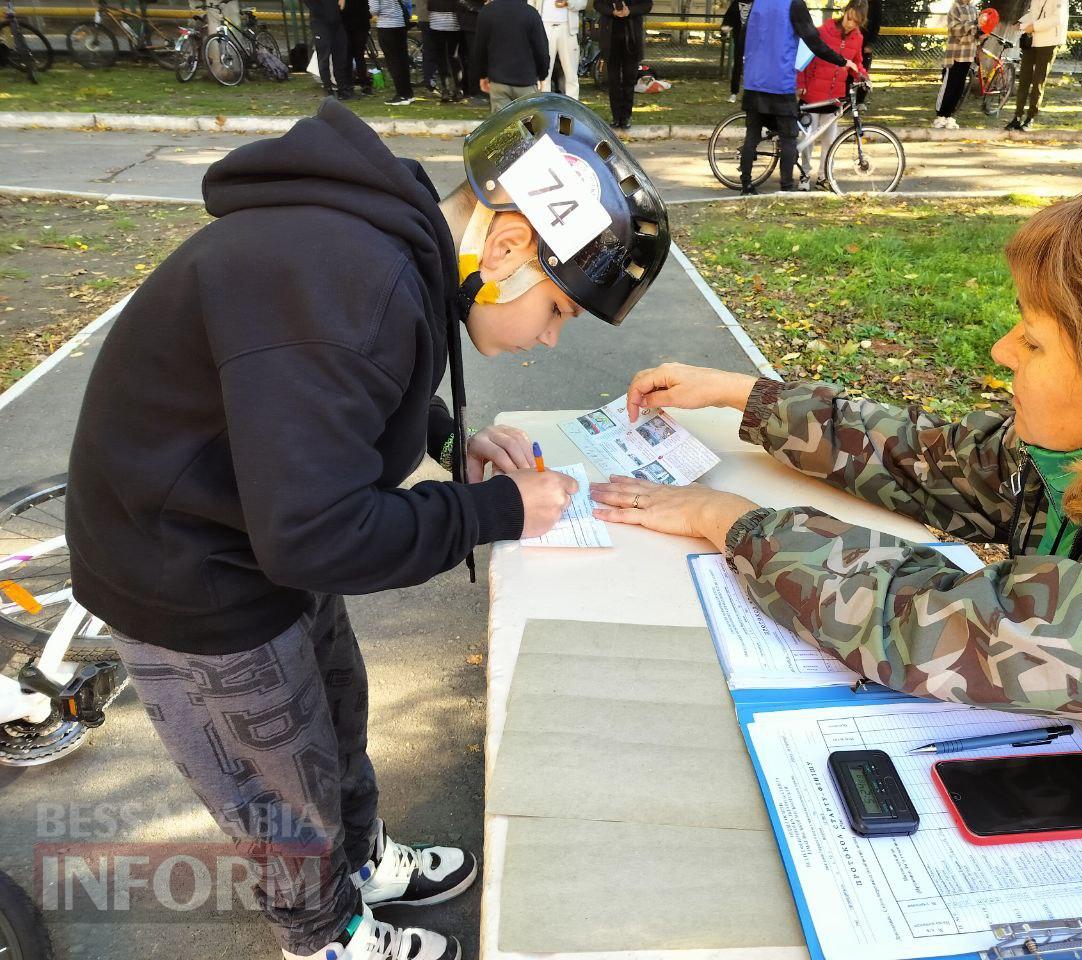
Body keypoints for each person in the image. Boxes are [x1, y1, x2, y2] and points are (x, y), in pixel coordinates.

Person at [590, 153, 1082, 914]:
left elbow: (940, 628)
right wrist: (749, 398)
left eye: (1036, 341)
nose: (1001, 352)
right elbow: (946, 461)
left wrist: (729, 521)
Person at [66, 94, 671, 960]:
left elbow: (328, 397)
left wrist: (447, 439)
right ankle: (322, 937)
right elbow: (316, 533)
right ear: (508, 247)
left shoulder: (386, 253)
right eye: (560, 311)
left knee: (334, 712)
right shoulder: (354, 282)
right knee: (280, 785)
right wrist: (496, 512)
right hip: (186, 566)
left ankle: (361, 859)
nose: (547, 339)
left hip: (247, 517)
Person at [736, 0, 860, 195]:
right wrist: (842, 61)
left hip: (755, 80)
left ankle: (746, 185)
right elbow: (814, 42)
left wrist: (739, 77)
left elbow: (743, 39)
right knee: (788, 138)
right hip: (779, 82)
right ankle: (786, 188)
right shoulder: (794, 5)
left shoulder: (757, 3)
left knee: (752, 135)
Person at [796, 0, 867, 190]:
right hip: (812, 93)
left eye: (856, 22)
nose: (850, 24)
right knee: (807, 139)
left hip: (835, 96)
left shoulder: (857, 38)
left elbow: (856, 62)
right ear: (845, 12)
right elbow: (804, 56)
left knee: (829, 140)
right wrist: (801, 82)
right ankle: (804, 174)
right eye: (849, 18)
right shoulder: (822, 31)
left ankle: (824, 176)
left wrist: (863, 76)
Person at [475, 0, 550, 111]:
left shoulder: (487, 12)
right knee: (527, 124)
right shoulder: (531, 13)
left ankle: (513, 130)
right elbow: (541, 49)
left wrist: (482, 74)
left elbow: (480, 48)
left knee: (504, 125)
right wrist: (542, 74)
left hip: (498, 80)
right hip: (526, 80)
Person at [1006, 0, 1068, 131]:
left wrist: (1034, 26)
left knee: (1038, 81)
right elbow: (1035, 13)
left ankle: (1030, 118)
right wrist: (1022, 22)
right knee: (1024, 79)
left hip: (1049, 41)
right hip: (1032, 40)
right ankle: (1017, 117)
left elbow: (1057, 18)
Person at [593, 0, 652, 130]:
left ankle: (625, 117)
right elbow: (597, 4)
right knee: (613, 80)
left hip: (631, 39)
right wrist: (612, 12)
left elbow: (647, 5)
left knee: (629, 79)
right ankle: (616, 117)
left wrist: (629, 11)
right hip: (611, 39)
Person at [933, 0, 978, 129]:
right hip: (955, 55)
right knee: (949, 86)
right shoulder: (955, 8)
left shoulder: (973, 9)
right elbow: (955, 30)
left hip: (968, 55)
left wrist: (980, 34)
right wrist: (973, 26)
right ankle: (940, 115)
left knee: (959, 88)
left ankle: (949, 116)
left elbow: (975, 34)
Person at [535, 0, 587, 99]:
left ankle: (572, 109)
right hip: (543, 26)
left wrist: (568, 2)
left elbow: (583, 3)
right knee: (543, 75)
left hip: (567, 28)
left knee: (571, 75)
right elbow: (531, 3)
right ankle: (543, 108)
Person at [306, 0, 355, 99]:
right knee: (324, 57)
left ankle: (342, 89)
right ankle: (328, 88)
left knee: (340, 56)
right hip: (320, 23)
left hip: (337, 22)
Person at [370, 0, 415, 104]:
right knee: (402, 59)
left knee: (393, 62)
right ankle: (408, 93)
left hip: (386, 25)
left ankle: (401, 94)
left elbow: (374, 10)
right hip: (400, 24)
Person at [426, 0, 464, 100]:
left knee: (441, 58)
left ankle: (445, 89)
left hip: (436, 24)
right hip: (453, 25)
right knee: (454, 57)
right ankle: (458, 88)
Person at [719, 0, 752, 104]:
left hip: (754, 41)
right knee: (737, 66)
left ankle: (750, 93)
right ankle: (734, 93)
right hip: (739, 40)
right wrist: (724, 30)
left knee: (752, 67)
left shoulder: (757, 4)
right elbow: (727, 19)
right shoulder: (735, 4)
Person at [456, 0, 486, 106]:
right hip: (472, 23)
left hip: (470, 22)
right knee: (474, 58)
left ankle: (471, 90)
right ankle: (474, 91)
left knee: (472, 58)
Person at [341, 0, 373, 95]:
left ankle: (349, 84)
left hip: (348, 24)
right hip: (360, 23)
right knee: (359, 56)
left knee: (349, 55)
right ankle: (363, 83)